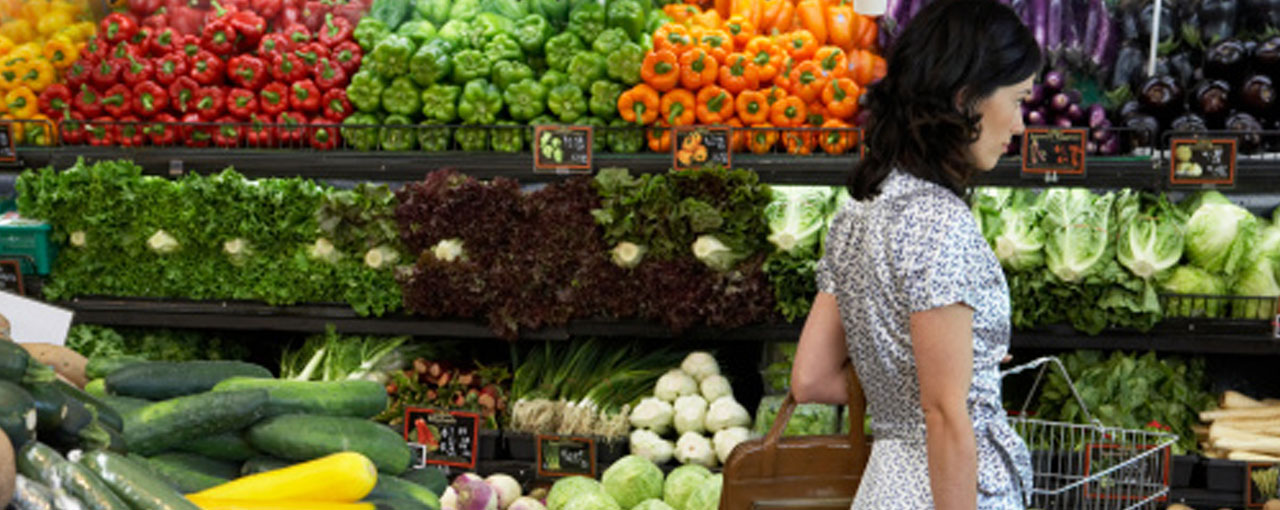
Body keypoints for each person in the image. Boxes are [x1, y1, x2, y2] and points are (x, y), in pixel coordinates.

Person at [789, 0, 1042, 509]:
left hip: (884, 487)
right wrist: (951, 388)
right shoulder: (941, 223)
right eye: (1017, 101)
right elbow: (946, 414)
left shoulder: (859, 213)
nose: (1020, 124)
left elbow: (810, 378)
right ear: (967, 99)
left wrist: (908, 385)